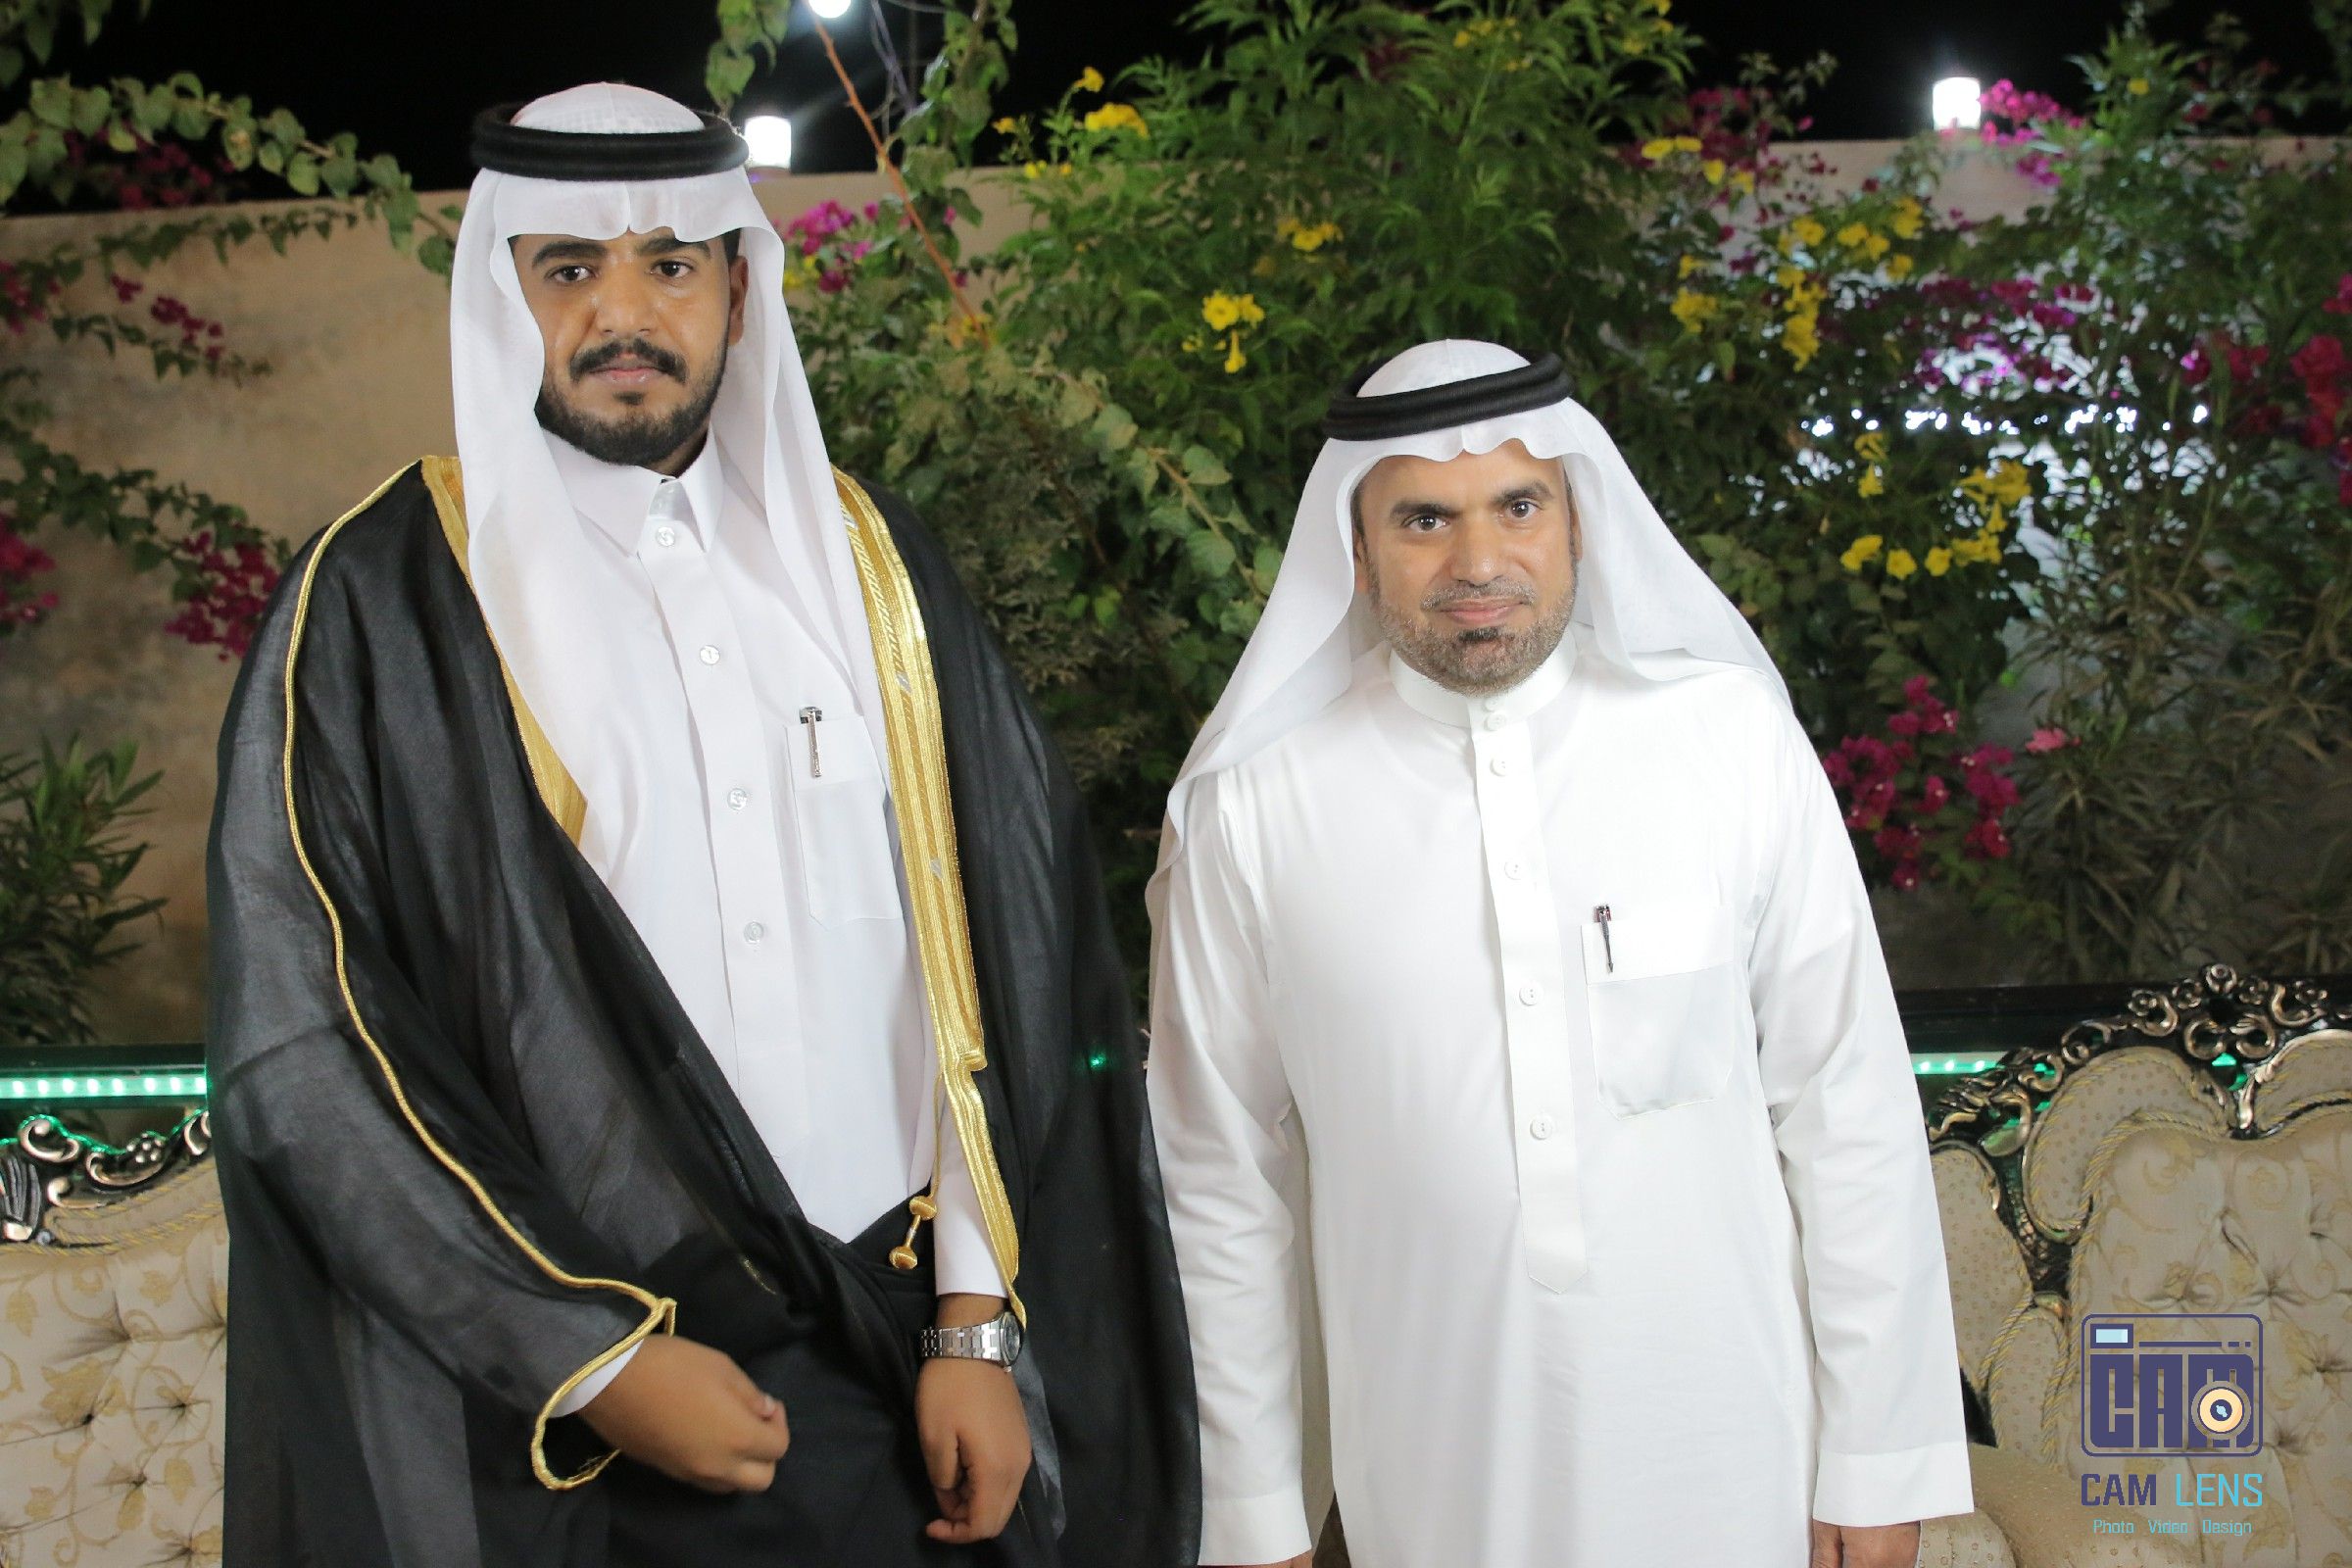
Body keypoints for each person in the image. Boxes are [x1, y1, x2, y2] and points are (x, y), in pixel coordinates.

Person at [207, 83, 1196, 1568]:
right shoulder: (385, 602)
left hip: (902, 1366)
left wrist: (975, 1322)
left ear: (738, 288)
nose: (623, 312)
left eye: (671, 264)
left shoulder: (867, 565)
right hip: (581, 1412)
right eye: (569, 268)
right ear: (503, 295)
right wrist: (586, 1354)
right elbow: (305, 1040)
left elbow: (1010, 954)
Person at [1147, 339, 1971, 1568]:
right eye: (1425, 519)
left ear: (1579, 519)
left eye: (1518, 505)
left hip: (1739, 1457)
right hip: (1435, 1473)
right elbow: (1218, 1175)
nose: (1478, 563)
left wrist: (1879, 1457)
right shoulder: (1256, 805)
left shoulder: (1728, 741)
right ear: (1356, 549)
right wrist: (1253, 1509)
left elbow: (1846, 1106)